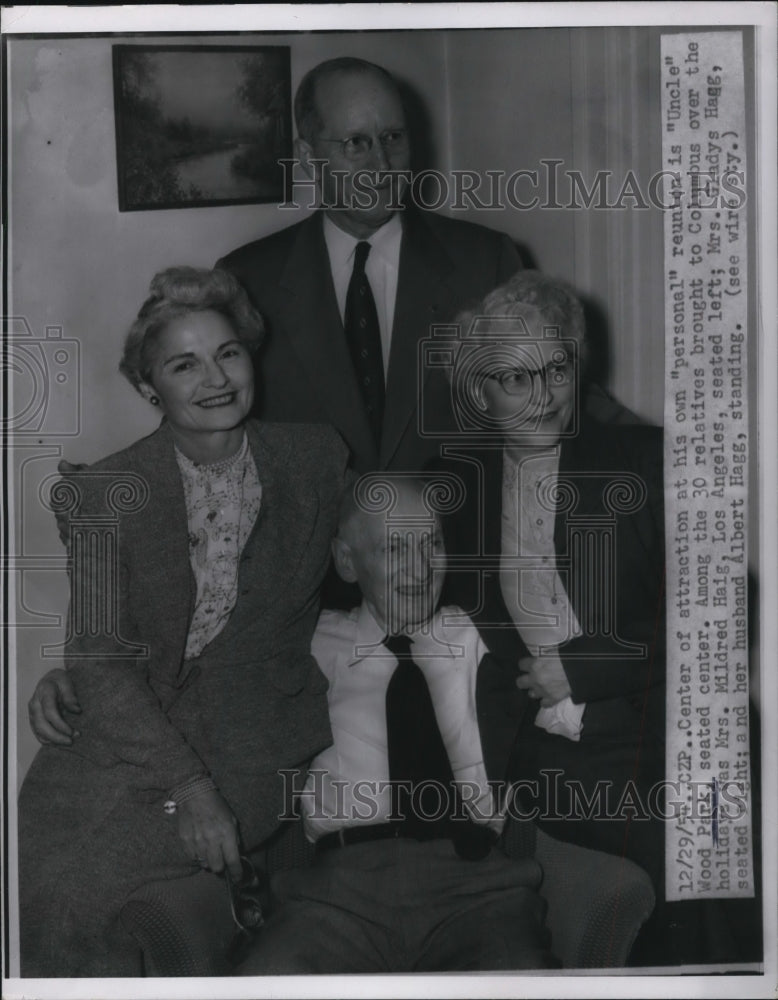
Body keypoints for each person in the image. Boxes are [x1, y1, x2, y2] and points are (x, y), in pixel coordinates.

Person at [18, 266, 347, 977]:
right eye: (183, 364)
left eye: (228, 353)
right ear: (148, 389)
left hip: (253, 737)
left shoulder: (316, 459)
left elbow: (392, 547)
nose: (216, 378)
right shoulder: (105, 494)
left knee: (86, 893)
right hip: (125, 735)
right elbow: (103, 658)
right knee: (31, 875)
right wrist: (76, 667)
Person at [235, 473, 556, 973]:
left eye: (432, 544)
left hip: (476, 888)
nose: (420, 568)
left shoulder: (483, 634)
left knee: (520, 977)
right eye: (393, 549)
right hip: (338, 894)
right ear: (346, 561)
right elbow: (203, 680)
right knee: (270, 978)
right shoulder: (306, 646)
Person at [433, 270, 666, 892]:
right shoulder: (455, 491)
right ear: (479, 394)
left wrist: (591, 666)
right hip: (554, 757)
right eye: (514, 377)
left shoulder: (643, 461)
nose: (542, 396)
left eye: (556, 370)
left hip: (668, 726)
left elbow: (728, 607)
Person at [216, 56, 525, 473]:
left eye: (393, 137)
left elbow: (550, 396)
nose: (382, 166)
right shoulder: (245, 280)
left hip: (452, 530)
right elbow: (204, 426)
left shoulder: (486, 263)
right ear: (307, 157)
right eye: (356, 143)